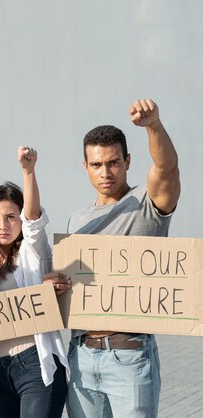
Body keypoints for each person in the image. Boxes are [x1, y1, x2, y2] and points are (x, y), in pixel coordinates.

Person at [64, 99, 180, 418]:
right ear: (85, 167)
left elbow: (167, 169)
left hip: (129, 358)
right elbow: (78, 283)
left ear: (127, 161)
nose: (106, 172)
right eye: (97, 165)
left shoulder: (145, 204)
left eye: (114, 162)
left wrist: (153, 126)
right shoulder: (78, 220)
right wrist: (58, 284)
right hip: (81, 357)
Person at [0, 146, 70, 418]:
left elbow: (34, 222)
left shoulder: (32, 253)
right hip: (2, 370)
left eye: (10, 217)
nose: (2, 225)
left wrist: (28, 171)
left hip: (36, 365)